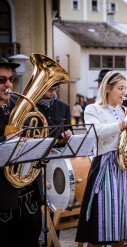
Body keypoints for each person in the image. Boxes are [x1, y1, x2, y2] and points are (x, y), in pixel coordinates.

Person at [75, 71, 127, 247]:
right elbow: (97, 132)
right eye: (120, 88)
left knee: (121, 230)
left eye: (125, 88)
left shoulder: (126, 110)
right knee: (98, 231)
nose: (124, 92)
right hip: (105, 167)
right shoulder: (93, 109)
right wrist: (124, 124)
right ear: (108, 88)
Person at [0, 56, 43, 246]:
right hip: (3, 203)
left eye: (11, 79)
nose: (8, 84)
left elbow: (36, 132)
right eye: (2, 80)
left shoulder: (17, 105)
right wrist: (6, 140)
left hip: (28, 198)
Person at [36, 82, 72, 147]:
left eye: (55, 89)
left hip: (59, 147)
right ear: (41, 88)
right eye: (50, 90)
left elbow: (68, 128)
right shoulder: (31, 106)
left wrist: (68, 133)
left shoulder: (64, 106)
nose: (53, 92)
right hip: (38, 147)